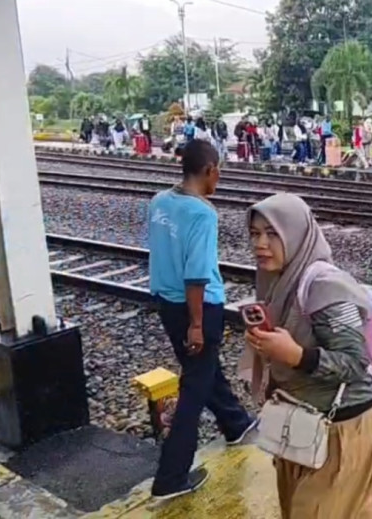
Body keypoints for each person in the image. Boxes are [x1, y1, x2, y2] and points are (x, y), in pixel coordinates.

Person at [243, 193, 372, 519]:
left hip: (344, 425)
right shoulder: (277, 279)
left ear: (295, 233)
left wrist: (296, 355)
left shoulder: (324, 285)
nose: (261, 243)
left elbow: (355, 362)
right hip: (303, 420)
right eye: (255, 233)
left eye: (272, 233)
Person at [146, 139, 256, 500]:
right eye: (218, 170)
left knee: (205, 372)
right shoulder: (203, 213)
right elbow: (196, 274)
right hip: (198, 308)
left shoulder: (159, 202)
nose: (219, 177)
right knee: (193, 389)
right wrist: (196, 323)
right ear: (210, 170)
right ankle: (171, 477)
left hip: (167, 305)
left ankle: (235, 424)